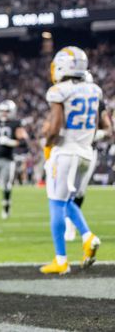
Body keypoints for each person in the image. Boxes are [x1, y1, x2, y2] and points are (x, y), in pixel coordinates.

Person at [40, 47, 111, 274]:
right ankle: (88, 236)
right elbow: (103, 126)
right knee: (68, 201)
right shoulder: (94, 90)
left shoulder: (59, 90)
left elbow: (56, 124)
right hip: (86, 153)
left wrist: (48, 142)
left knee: (56, 203)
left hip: (66, 152)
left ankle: (61, 259)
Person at [64, 71, 110, 241]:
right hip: (68, 149)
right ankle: (69, 224)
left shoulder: (97, 101)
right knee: (66, 190)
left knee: (80, 190)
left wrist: (95, 134)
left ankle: (73, 223)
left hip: (87, 150)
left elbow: (108, 129)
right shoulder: (66, 99)